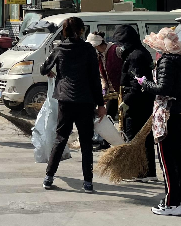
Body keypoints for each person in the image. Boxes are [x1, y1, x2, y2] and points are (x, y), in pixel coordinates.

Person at [40, 17, 106, 193]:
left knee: (60, 138)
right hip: (85, 101)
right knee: (86, 142)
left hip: (65, 100)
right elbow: (95, 79)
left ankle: (48, 178)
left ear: (64, 31)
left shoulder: (59, 49)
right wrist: (101, 104)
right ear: (82, 30)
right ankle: (88, 182)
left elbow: (43, 68)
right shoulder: (88, 50)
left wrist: (51, 72)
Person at [139, 27, 181, 216]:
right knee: (177, 156)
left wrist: (144, 84)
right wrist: (179, 95)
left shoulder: (166, 61)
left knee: (166, 159)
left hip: (166, 112)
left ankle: (171, 204)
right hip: (179, 110)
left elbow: (163, 88)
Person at [111, 24, 157, 183]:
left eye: (121, 43)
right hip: (142, 101)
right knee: (144, 138)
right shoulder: (138, 53)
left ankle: (140, 172)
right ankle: (148, 172)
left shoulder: (136, 56)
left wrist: (127, 101)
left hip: (138, 103)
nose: (119, 47)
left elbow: (138, 83)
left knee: (135, 138)